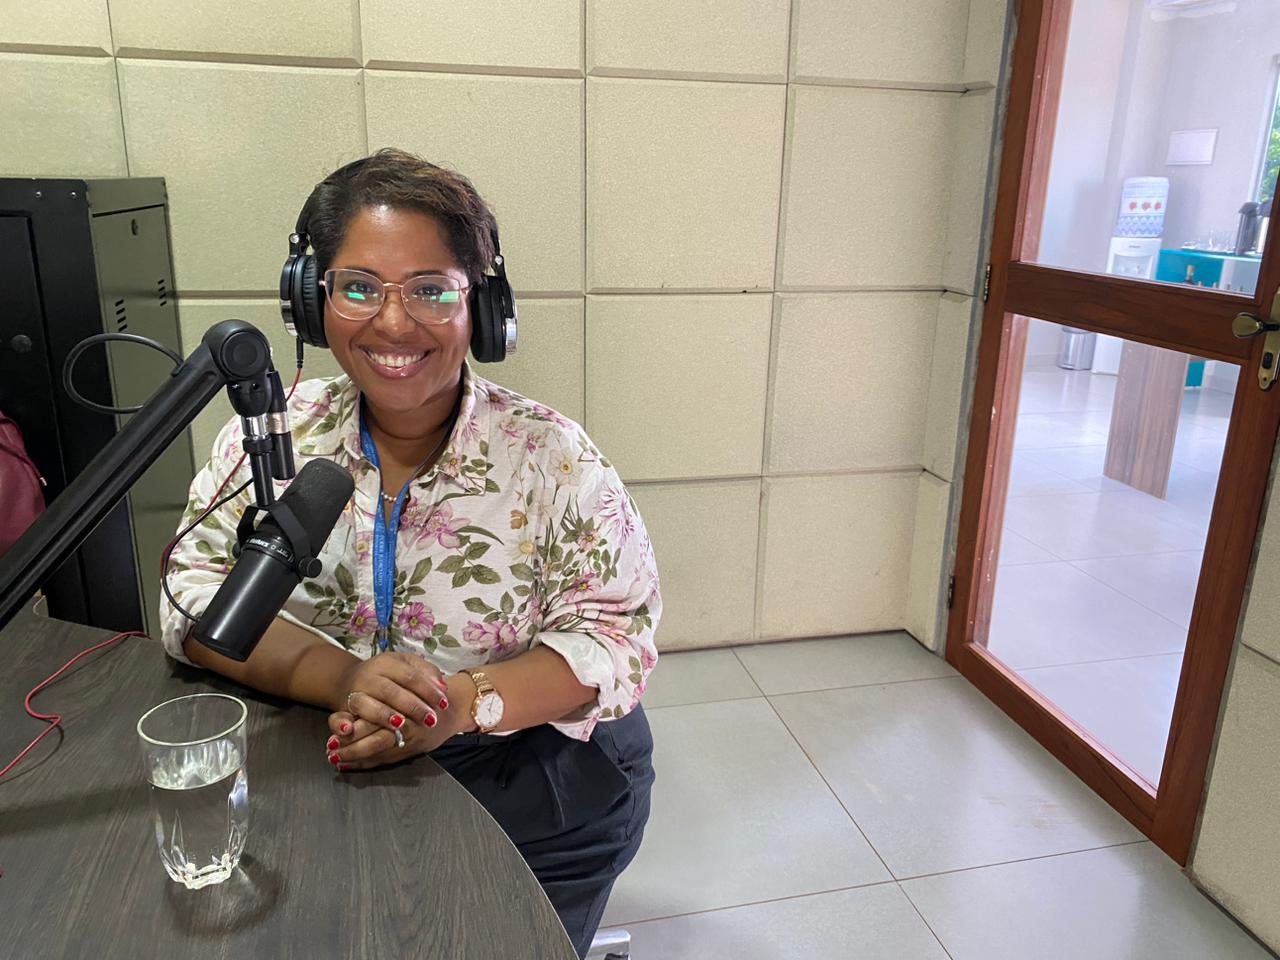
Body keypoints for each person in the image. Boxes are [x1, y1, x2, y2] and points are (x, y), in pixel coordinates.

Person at [160, 149, 660, 956]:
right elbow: (190, 596)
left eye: (431, 290)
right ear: (311, 300)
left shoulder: (553, 458)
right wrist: (345, 679)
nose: (393, 324)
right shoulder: (274, 435)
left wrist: (457, 705)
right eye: (359, 288)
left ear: (481, 308)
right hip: (322, 758)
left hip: (527, 781)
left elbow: (617, 640)